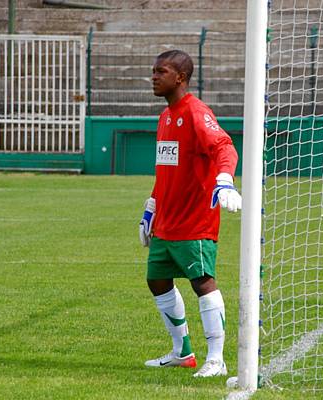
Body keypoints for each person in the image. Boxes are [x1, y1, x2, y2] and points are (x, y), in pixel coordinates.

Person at [138, 49, 242, 378]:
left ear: (180, 78)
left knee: (203, 282)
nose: (154, 76)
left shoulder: (196, 113)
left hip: (194, 221)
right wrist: (151, 208)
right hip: (166, 222)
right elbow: (165, 169)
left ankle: (216, 358)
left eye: (161, 71)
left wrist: (224, 180)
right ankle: (182, 352)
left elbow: (224, 146)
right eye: (153, 71)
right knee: (156, 280)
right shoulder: (165, 117)